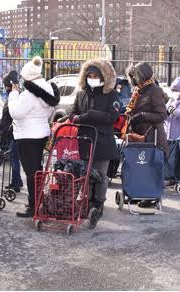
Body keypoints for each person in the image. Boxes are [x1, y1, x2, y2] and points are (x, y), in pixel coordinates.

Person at [67, 58, 119, 226]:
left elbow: (112, 117)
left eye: (96, 75)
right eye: (89, 75)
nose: (92, 78)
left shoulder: (111, 94)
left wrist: (90, 115)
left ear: (103, 77)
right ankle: (87, 202)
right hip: (85, 140)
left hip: (103, 140)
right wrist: (77, 117)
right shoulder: (81, 94)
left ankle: (99, 203)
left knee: (101, 175)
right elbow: (73, 113)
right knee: (86, 174)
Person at [9, 56, 60, 218]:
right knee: (37, 170)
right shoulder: (48, 89)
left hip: (27, 135)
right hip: (41, 132)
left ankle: (33, 205)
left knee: (31, 172)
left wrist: (13, 96)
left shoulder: (29, 94)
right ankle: (38, 201)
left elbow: (15, 113)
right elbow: (50, 110)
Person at [123, 62, 168, 209]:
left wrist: (142, 116)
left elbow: (162, 115)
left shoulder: (154, 90)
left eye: (135, 75)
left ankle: (151, 197)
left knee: (150, 168)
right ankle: (139, 193)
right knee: (140, 168)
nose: (133, 79)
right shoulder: (139, 90)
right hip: (139, 135)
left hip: (152, 136)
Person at [0, 70, 24, 192]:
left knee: (15, 159)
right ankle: (17, 180)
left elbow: (11, 114)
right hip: (13, 131)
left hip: (14, 132)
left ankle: (16, 183)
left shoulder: (14, 95)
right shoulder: (15, 94)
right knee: (15, 158)